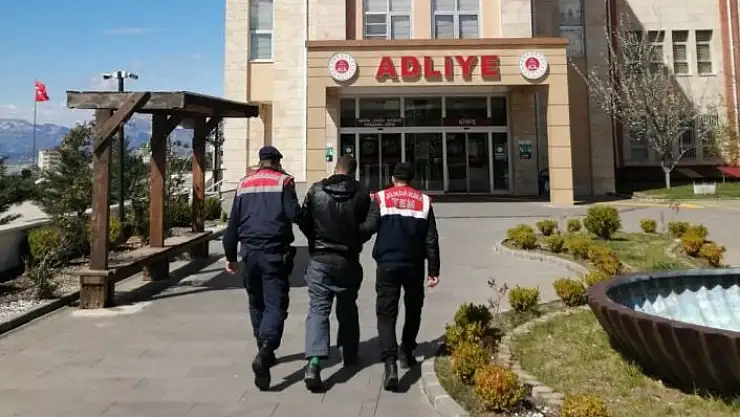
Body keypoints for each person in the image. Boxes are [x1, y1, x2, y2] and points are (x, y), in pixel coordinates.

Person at [222, 145, 300, 391]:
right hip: (275, 252)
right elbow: (295, 214)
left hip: (249, 253)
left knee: (256, 302)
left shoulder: (244, 184)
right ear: (276, 162)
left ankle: (262, 349)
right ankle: (266, 350)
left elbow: (232, 225)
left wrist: (230, 256)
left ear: (260, 162)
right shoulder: (284, 182)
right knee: (275, 304)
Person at [297, 155, 376, 392]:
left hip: (320, 259)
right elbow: (372, 223)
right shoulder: (362, 193)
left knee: (318, 310)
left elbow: (303, 220)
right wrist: (355, 236)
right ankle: (350, 354)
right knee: (347, 307)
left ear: (335, 168)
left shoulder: (316, 190)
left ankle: (313, 363)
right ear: (354, 172)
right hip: (347, 260)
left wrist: (315, 238)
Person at [365, 162, 440, 392]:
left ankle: (390, 364)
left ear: (392, 178)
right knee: (413, 309)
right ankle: (406, 352)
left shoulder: (381, 198)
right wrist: (433, 271)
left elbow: (369, 227)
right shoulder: (423, 201)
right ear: (412, 179)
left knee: (386, 313)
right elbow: (431, 239)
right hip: (414, 266)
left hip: (387, 264)